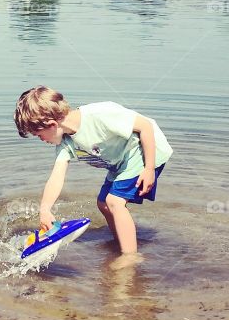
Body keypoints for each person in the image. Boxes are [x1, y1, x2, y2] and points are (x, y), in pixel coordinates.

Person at [14, 86, 173, 256]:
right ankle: (121, 242)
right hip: (120, 162)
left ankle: (130, 257)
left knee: (114, 202)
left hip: (146, 151)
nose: (42, 140)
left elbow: (145, 126)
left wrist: (149, 169)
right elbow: (56, 177)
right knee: (103, 203)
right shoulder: (65, 142)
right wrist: (45, 210)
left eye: (39, 135)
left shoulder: (99, 115)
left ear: (52, 124)